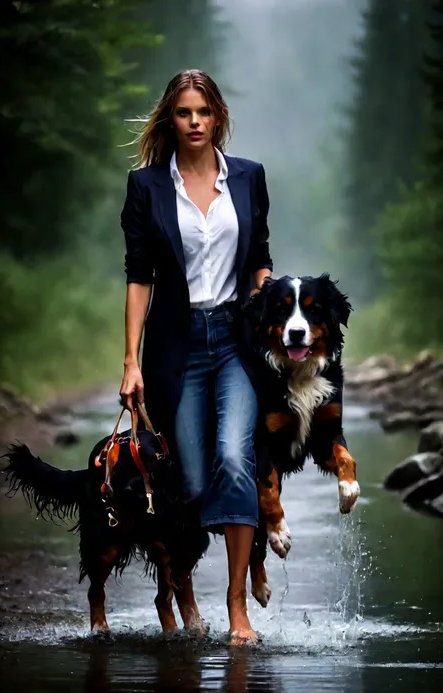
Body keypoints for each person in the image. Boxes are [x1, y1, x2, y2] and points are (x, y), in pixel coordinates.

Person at [119, 69, 272, 645]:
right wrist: (130, 361)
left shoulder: (250, 178)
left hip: (236, 341)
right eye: (183, 112)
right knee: (184, 477)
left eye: (203, 112)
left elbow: (259, 255)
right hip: (175, 345)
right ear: (170, 118)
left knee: (235, 459)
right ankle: (181, 587)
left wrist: (263, 303)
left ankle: (236, 607)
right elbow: (139, 276)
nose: (194, 122)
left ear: (218, 117)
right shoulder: (147, 186)